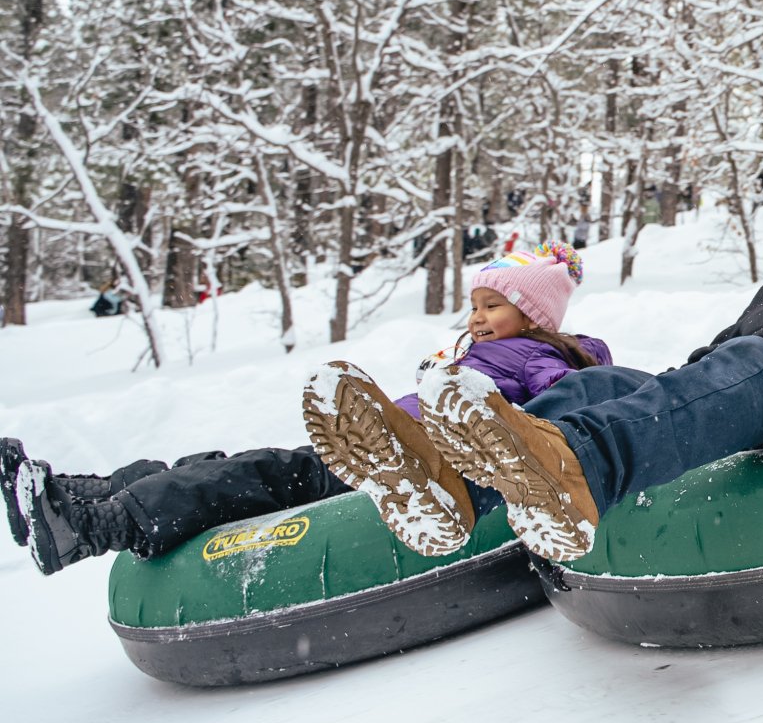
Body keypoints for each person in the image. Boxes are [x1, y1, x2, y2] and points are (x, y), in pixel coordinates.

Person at [304, 131, 763, 563]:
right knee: (589, 389)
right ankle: (451, 485)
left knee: (753, 368)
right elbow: (715, 360)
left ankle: (579, 470)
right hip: (759, 380)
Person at [5, 244, 609, 575]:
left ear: (534, 317)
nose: (475, 316)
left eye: (492, 306)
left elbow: (558, 406)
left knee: (254, 476)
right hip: (376, 446)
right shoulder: (487, 350)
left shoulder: (540, 359)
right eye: (473, 305)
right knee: (234, 465)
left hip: (406, 468)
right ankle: (81, 495)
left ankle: (92, 528)